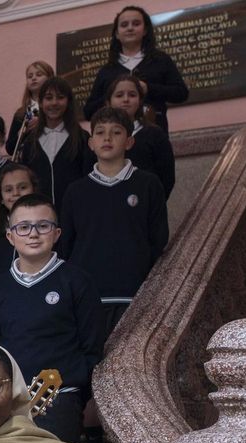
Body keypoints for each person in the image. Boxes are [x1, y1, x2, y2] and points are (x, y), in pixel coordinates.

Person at [0, 194, 107, 443]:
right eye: (23, 227)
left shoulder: (77, 281)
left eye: (43, 226)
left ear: (57, 233)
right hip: (9, 402)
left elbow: (92, 347)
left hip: (60, 398)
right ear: (10, 236)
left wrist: (73, 390)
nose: (33, 234)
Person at [59, 106, 169, 336]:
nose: (107, 138)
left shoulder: (148, 184)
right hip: (88, 295)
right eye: (99, 132)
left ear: (129, 142)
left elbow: (157, 239)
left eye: (116, 132)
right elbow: (65, 245)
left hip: (134, 294)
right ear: (91, 143)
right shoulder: (75, 191)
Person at [83, 5, 188, 134]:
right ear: (116, 33)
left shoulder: (160, 60)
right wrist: (113, 95)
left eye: (136, 23)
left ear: (145, 30)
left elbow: (181, 93)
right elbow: (88, 112)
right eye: (124, 25)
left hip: (155, 136)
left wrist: (149, 88)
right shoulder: (107, 70)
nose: (130, 28)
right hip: (116, 140)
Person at [15, 77, 93, 212]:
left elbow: (88, 178)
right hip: (40, 216)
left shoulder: (82, 138)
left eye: (60, 97)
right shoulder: (30, 142)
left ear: (68, 102)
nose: (54, 103)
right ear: (40, 102)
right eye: (48, 98)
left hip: (75, 212)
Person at [109, 73, 177, 197]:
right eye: (119, 95)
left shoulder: (155, 135)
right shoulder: (102, 137)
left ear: (140, 101)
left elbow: (167, 178)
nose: (126, 99)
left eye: (132, 95)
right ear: (109, 101)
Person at [0, 164, 39, 278]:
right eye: (8, 190)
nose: (16, 193)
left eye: (23, 187)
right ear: (1, 197)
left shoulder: (48, 230)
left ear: (34, 189)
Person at [5, 61, 57, 157]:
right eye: (30, 76)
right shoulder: (21, 113)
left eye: (39, 75)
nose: (33, 78)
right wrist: (22, 132)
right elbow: (10, 148)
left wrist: (43, 123)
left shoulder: (56, 106)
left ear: (50, 79)